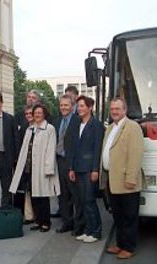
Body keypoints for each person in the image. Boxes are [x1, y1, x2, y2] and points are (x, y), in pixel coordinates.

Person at [100, 98, 144, 259]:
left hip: (127, 181)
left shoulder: (133, 127)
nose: (114, 111)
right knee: (118, 215)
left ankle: (129, 247)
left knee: (129, 216)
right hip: (113, 180)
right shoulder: (110, 128)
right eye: (112, 109)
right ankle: (120, 244)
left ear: (125, 110)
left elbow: (136, 154)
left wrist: (131, 177)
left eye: (118, 109)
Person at [10, 104, 60, 232]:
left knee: (43, 196)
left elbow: (51, 149)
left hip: (41, 168)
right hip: (28, 167)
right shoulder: (29, 129)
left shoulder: (49, 129)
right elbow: (24, 149)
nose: (37, 115)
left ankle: (46, 222)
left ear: (44, 114)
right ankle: (38, 220)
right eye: (35, 113)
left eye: (39, 113)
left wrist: (48, 168)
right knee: (33, 195)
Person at [68, 95, 104, 243]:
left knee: (89, 200)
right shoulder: (77, 124)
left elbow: (97, 149)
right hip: (77, 168)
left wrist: (95, 169)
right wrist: (71, 168)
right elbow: (73, 148)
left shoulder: (96, 125)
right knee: (82, 201)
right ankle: (88, 230)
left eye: (82, 106)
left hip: (89, 169)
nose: (79, 109)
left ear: (90, 107)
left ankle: (96, 232)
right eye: (78, 106)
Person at [53, 94, 81, 233]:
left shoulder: (78, 121)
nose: (63, 107)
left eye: (66, 105)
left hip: (72, 162)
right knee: (62, 194)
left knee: (75, 194)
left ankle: (79, 224)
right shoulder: (57, 121)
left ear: (72, 106)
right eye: (61, 105)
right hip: (59, 161)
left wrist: (73, 165)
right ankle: (67, 222)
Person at [13, 105, 35, 222]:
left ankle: (36, 216)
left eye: (30, 113)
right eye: (26, 114)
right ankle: (28, 214)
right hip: (24, 163)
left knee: (35, 190)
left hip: (35, 164)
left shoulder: (42, 127)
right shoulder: (25, 127)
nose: (28, 116)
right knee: (25, 189)